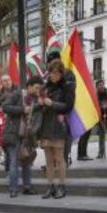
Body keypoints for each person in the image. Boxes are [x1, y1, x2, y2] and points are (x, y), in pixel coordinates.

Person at [3, 76, 43, 198]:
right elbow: (6, 107)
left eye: (39, 89)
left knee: (27, 161)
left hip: (27, 136)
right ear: (29, 86)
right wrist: (22, 109)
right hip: (14, 134)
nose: (38, 90)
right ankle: (13, 189)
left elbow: (36, 117)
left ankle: (27, 187)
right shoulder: (18, 94)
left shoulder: (36, 99)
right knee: (14, 162)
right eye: (36, 88)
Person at [38, 60, 73, 199]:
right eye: (51, 72)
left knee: (59, 159)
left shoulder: (67, 87)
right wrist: (40, 103)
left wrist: (53, 103)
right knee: (48, 160)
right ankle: (50, 186)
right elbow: (38, 107)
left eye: (55, 72)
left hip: (59, 127)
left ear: (61, 72)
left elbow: (69, 106)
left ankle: (62, 186)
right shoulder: (46, 87)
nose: (52, 75)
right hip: (46, 126)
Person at [46, 51, 76, 165]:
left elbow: (68, 100)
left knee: (65, 134)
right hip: (53, 112)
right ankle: (54, 161)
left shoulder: (68, 75)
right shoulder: (51, 76)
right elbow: (48, 88)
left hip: (64, 110)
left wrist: (54, 104)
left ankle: (65, 158)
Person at [0, 75, 18, 172]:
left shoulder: (17, 91)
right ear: (2, 83)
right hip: (4, 123)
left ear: (11, 80)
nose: (7, 82)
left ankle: (13, 166)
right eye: (4, 81)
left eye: (8, 80)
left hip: (16, 122)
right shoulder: (0, 94)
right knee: (7, 145)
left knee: (15, 148)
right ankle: (9, 167)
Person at [96, 80, 107, 159]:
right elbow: (94, 106)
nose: (101, 86)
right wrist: (101, 107)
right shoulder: (96, 95)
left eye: (102, 84)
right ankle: (101, 152)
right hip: (101, 118)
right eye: (100, 85)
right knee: (101, 135)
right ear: (97, 86)